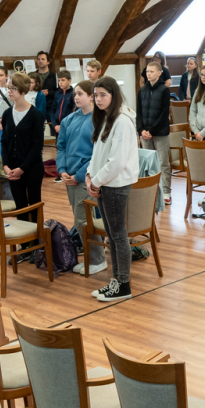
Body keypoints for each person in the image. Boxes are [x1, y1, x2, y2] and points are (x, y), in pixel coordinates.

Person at [87, 77, 140, 302]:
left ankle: (123, 284)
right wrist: (90, 176)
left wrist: (96, 181)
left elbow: (117, 162)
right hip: (104, 183)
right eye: (96, 95)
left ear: (114, 95)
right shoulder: (106, 118)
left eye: (103, 95)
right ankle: (116, 280)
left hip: (115, 185)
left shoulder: (123, 121)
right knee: (112, 235)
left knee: (118, 236)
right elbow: (97, 154)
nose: (98, 99)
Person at [56, 80, 107, 276]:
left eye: (80, 94)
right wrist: (62, 170)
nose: (76, 97)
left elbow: (97, 154)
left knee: (84, 221)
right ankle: (94, 256)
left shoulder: (99, 120)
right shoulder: (68, 120)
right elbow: (61, 147)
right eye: (75, 94)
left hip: (86, 177)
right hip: (69, 176)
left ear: (91, 97)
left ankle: (97, 260)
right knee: (79, 221)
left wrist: (78, 175)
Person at [1, 73, 46, 263]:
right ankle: (25, 246)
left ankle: (36, 243)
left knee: (34, 204)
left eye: (12, 88)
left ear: (22, 90)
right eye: (8, 88)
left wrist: (22, 168)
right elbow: (4, 142)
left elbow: (37, 146)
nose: (9, 91)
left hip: (32, 168)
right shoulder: (6, 114)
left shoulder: (36, 115)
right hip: (12, 169)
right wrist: (5, 165)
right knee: (20, 206)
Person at [136, 60, 172, 204]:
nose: (148, 74)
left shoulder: (164, 90)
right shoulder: (142, 90)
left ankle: (166, 192)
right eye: (147, 72)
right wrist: (141, 130)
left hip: (160, 132)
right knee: (147, 163)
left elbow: (164, 114)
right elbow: (139, 112)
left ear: (159, 73)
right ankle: (150, 191)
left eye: (151, 72)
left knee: (163, 162)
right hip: (145, 133)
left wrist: (151, 130)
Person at [37, 51, 55, 128]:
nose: (40, 61)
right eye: (38, 59)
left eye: (43, 59)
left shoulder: (54, 76)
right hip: (37, 106)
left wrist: (49, 93)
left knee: (54, 128)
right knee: (37, 129)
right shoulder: (33, 76)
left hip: (50, 107)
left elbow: (59, 92)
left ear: (48, 62)